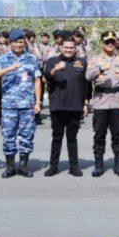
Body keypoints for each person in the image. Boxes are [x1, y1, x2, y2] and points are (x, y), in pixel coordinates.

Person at [0, 29, 42, 178]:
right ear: (10, 43)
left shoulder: (31, 59)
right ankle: (10, 166)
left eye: (21, 42)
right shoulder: (3, 59)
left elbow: (37, 80)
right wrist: (9, 69)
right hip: (9, 105)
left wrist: (38, 101)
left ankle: (24, 166)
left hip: (27, 105)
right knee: (8, 136)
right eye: (16, 42)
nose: (19, 44)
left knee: (27, 135)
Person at [86, 31, 119, 177]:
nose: (110, 44)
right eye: (107, 42)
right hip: (100, 102)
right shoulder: (94, 60)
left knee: (117, 135)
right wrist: (100, 69)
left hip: (117, 103)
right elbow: (87, 76)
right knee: (99, 135)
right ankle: (98, 165)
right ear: (102, 43)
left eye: (113, 42)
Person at [43, 39, 89, 177]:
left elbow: (86, 84)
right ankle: (53, 166)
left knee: (72, 138)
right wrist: (56, 69)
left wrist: (85, 103)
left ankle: (74, 166)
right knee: (57, 137)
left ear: (75, 48)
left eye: (71, 47)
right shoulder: (52, 61)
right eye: (66, 47)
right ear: (61, 47)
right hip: (57, 105)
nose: (68, 50)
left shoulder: (82, 62)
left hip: (75, 106)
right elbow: (46, 77)